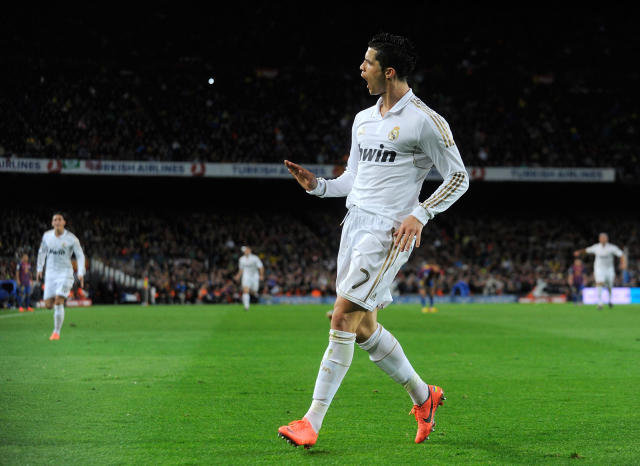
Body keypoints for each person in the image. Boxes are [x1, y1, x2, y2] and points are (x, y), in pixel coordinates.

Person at [278, 32, 468, 448]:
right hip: (354, 225)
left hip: (387, 232)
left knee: (341, 317)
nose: (360, 69)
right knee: (364, 327)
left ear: (389, 71)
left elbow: (459, 177)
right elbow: (354, 181)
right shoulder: (363, 120)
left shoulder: (424, 120)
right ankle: (425, 396)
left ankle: (311, 421)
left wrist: (420, 214)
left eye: (367, 63)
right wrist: (318, 186)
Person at [36, 212, 85, 340]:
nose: (57, 221)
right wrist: (39, 268)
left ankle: (56, 332)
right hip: (50, 274)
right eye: (55, 219)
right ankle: (61, 300)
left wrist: (80, 272)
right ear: (52, 223)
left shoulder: (71, 238)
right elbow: (42, 252)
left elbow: (80, 256)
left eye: (59, 219)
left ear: (64, 222)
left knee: (58, 301)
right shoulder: (47, 236)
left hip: (65, 274)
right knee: (48, 305)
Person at [574, 233, 626, 310]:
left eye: (604, 238)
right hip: (599, 269)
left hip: (609, 269)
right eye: (601, 238)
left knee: (609, 285)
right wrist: (579, 252)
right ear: (599, 239)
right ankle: (600, 303)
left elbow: (621, 254)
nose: (602, 239)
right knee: (599, 283)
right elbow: (586, 250)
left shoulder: (612, 247)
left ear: (607, 239)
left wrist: (623, 263)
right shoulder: (596, 247)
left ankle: (610, 300)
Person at [234, 246, 264, 311]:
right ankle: (246, 307)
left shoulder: (255, 258)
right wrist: (238, 276)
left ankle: (254, 293)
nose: (245, 252)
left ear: (250, 250)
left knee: (254, 291)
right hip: (246, 276)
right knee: (245, 290)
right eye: (244, 251)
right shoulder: (241, 259)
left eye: (246, 250)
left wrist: (261, 275)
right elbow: (241, 269)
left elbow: (261, 267)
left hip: (255, 276)